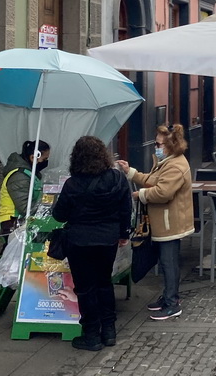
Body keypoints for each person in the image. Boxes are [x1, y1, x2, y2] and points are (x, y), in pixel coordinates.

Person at [52, 136, 132, 351]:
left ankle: (91, 335)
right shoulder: (116, 178)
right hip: (108, 239)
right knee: (104, 283)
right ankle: (109, 331)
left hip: (79, 241)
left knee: (86, 288)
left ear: (76, 157)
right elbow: (126, 208)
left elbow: (60, 215)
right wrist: (124, 233)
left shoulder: (72, 184)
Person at [117, 124, 194, 320]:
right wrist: (131, 172)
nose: (155, 147)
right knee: (165, 261)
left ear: (170, 145)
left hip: (170, 223)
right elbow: (153, 180)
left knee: (169, 263)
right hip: (163, 221)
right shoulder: (167, 161)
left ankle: (172, 302)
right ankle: (168, 296)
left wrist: (139, 194)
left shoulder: (176, 165)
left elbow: (163, 192)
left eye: (158, 144)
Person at [0, 139, 51, 239]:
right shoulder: (19, 177)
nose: (45, 162)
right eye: (44, 159)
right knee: (13, 253)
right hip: (12, 223)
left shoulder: (28, 173)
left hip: (20, 222)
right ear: (33, 157)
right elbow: (24, 208)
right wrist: (46, 208)